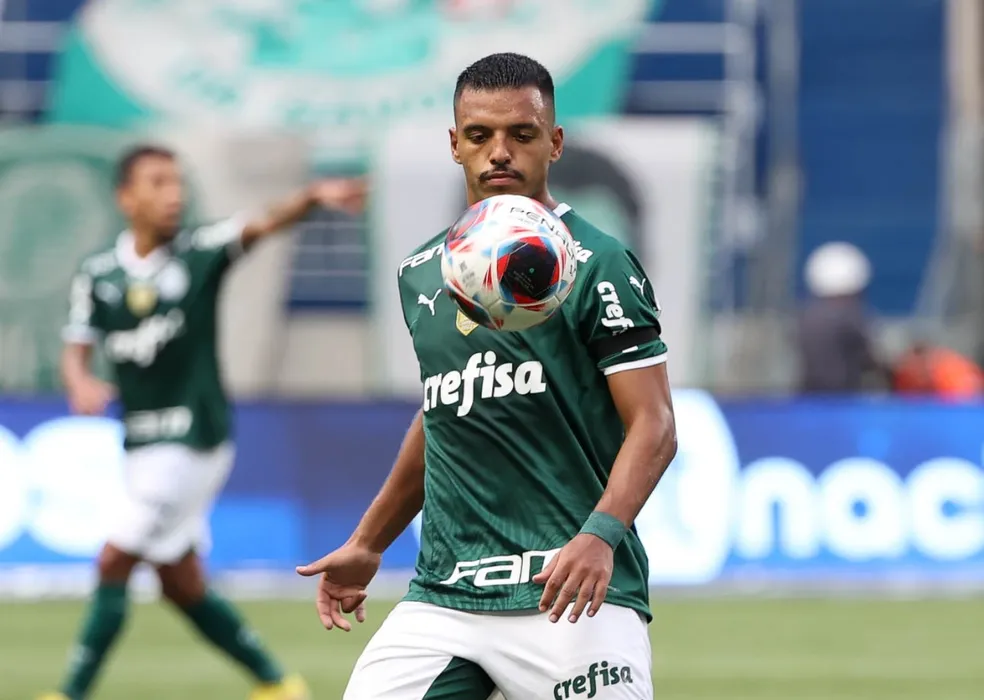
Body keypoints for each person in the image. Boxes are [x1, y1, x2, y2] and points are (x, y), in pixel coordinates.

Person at [296, 52, 678, 699]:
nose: (499, 152)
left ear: (554, 143)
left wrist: (600, 535)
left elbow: (656, 423)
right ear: (455, 144)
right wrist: (369, 541)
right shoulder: (422, 271)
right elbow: (442, 415)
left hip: (571, 592)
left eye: (521, 135)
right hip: (447, 595)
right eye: (479, 135)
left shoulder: (600, 263)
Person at [40, 144, 366, 700]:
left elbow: (261, 225)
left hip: (193, 440)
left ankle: (69, 693)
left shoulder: (200, 252)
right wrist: (80, 381)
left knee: (115, 557)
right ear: (126, 197)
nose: (175, 194)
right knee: (180, 583)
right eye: (158, 183)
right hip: (141, 445)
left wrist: (310, 198)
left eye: (178, 182)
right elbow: (77, 347)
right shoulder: (98, 274)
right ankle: (278, 684)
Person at [797, 241, 884, 393]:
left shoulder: (806, 316)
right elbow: (870, 359)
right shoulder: (851, 317)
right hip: (843, 400)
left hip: (809, 397)